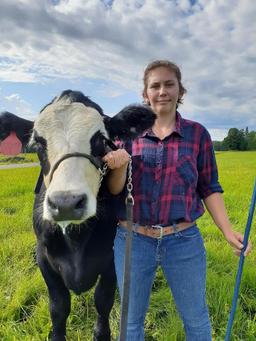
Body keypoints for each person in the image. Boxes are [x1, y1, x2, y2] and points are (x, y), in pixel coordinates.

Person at [103, 60, 252, 341]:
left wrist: (227, 230)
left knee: (196, 320)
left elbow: (209, 187)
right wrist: (119, 166)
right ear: (145, 94)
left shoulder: (198, 135)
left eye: (169, 84)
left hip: (183, 241)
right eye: (155, 85)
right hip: (133, 240)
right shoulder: (126, 136)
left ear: (180, 90)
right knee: (130, 322)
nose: (162, 91)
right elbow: (114, 191)